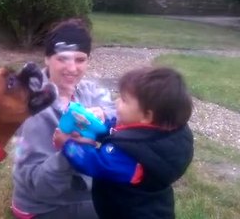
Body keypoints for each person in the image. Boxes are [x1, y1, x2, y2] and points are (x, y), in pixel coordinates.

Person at [53, 66, 194, 219]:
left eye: (124, 100)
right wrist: (98, 127)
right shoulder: (163, 133)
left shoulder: (132, 157)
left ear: (147, 116)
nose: (116, 102)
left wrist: (68, 144)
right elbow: (124, 133)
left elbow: (94, 163)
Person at [11, 18, 116, 219]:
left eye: (80, 59)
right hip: (44, 206)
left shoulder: (86, 89)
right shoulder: (34, 110)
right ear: (47, 59)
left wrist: (104, 114)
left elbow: (116, 111)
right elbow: (39, 188)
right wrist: (70, 152)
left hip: (78, 190)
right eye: (62, 58)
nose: (72, 68)